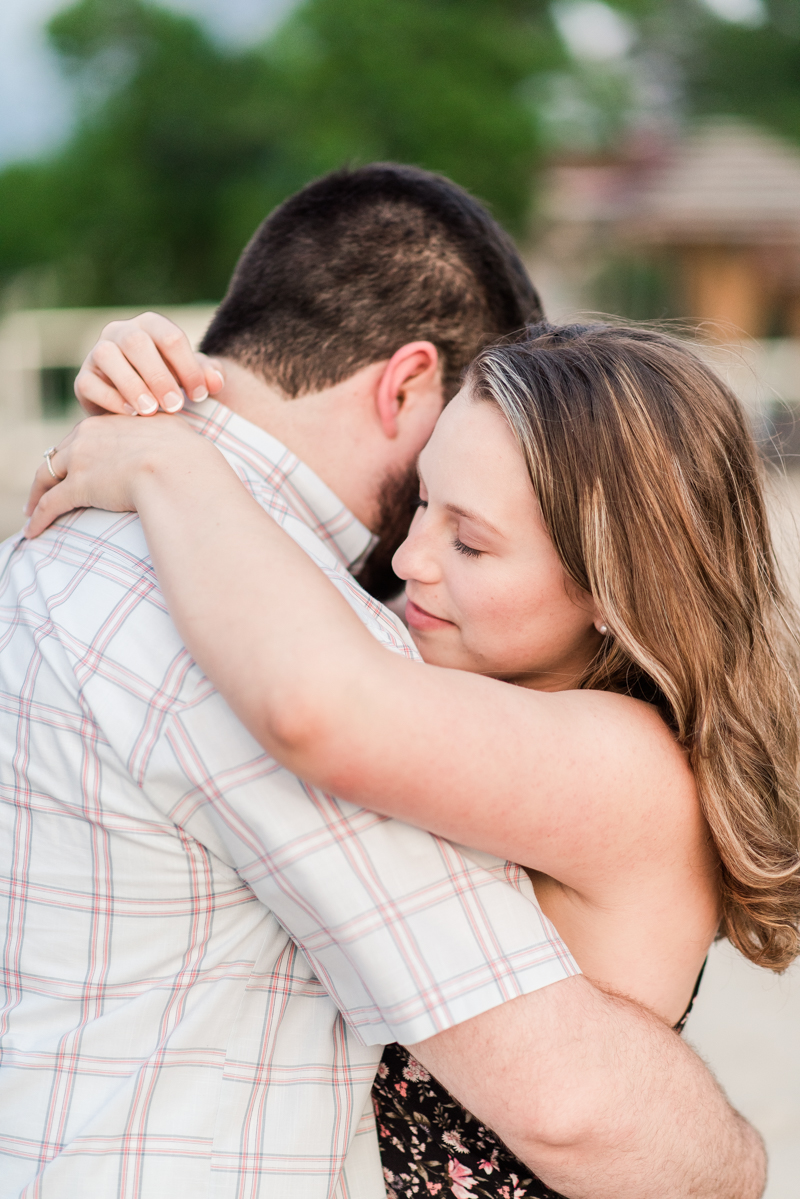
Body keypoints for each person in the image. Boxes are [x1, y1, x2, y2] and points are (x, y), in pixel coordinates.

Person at [1, 167, 765, 1199]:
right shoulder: (462, 687)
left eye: (472, 538)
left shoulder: (618, 760)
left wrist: (171, 463)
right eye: (419, 505)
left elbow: (325, 703)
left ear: (606, 585)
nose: (405, 557)